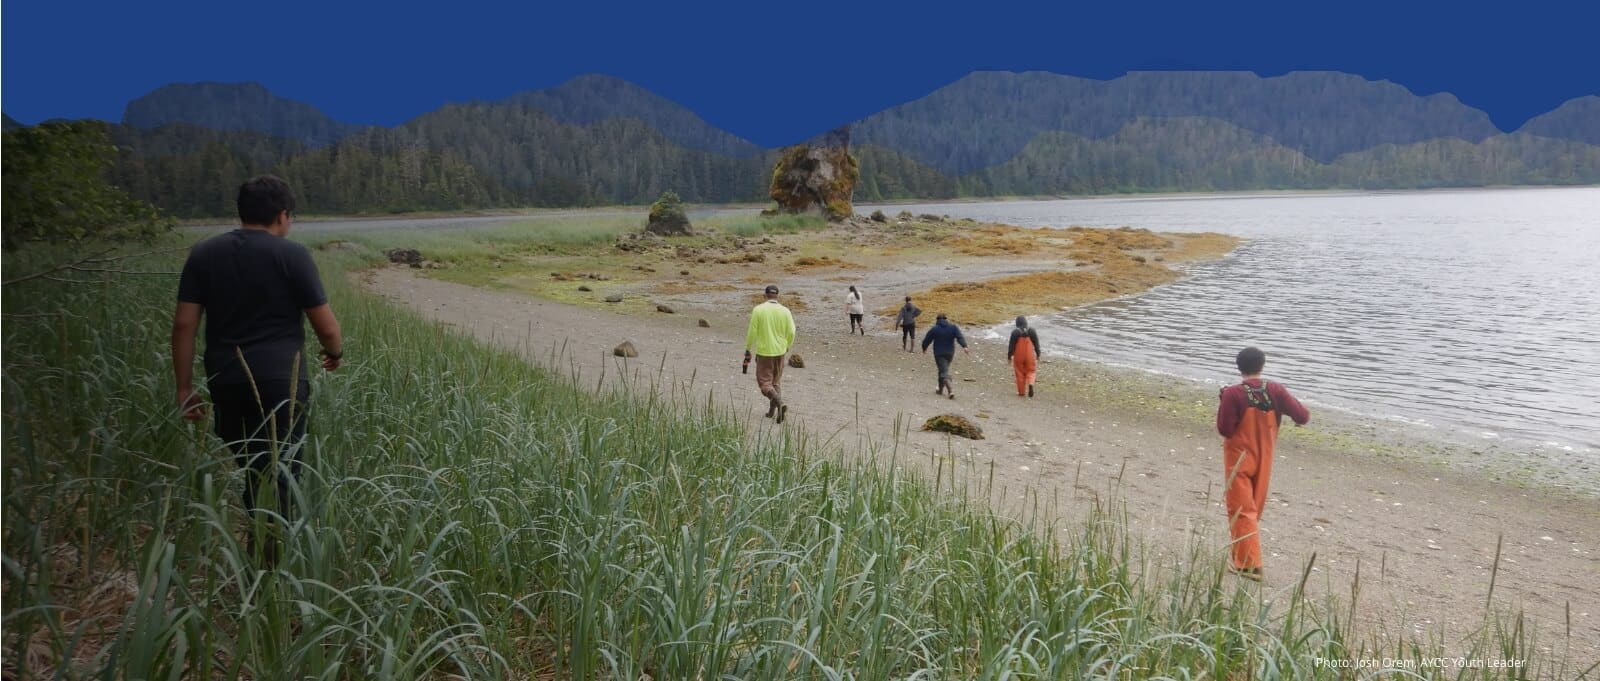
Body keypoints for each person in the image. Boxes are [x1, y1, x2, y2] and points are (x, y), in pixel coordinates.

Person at [172, 175, 343, 564]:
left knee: (255, 468)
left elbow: (184, 324)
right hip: (282, 382)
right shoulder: (292, 255)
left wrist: (184, 387)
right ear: (283, 216)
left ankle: (261, 552)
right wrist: (334, 353)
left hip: (226, 380)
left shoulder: (204, 254)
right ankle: (268, 574)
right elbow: (328, 327)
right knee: (280, 475)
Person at [1214, 347, 1310, 581]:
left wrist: (1223, 400)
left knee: (1241, 510)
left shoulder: (1233, 394)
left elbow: (1225, 429)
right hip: (1265, 456)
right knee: (1252, 510)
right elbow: (1302, 416)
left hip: (1239, 458)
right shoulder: (1275, 390)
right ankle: (1242, 557)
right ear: (1262, 365)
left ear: (1239, 367)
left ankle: (1249, 565)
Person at [744, 284, 797, 423]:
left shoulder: (758, 310)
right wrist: (787, 346)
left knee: (764, 383)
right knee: (775, 381)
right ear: (777, 296)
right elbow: (792, 331)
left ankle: (779, 403)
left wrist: (748, 348)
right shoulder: (785, 311)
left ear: (765, 295)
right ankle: (772, 411)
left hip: (765, 351)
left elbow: (752, 332)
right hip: (780, 351)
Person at [920, 313, 970, 399]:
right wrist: (964, 346)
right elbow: (960, 337)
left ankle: (950, 390)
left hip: (939, 353)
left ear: (937, 320)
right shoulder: (953, 327)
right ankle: (940, 390)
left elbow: (926, 340)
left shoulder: (934, 329)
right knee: (942, 370)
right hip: (950, 353)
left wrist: (924, 348)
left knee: (943, 372)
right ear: (946, 319)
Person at [1007, 316, 1042, 397]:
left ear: (1017, 323)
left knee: (1019, 372)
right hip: (1029, 354)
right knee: (1031, 371)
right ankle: (1030, 383)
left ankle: (1021, 392)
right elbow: (1037, 344)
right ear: (1026, 322)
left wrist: (1009, 357)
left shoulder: (1015, 332)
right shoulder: (1032, 331)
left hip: (1019, 355)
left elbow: (1011, 346)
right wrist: (1038, 354)